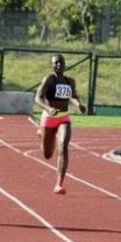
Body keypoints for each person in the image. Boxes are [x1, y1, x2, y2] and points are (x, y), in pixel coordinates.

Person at [35, 53, 85, 195]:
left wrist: (78, 105)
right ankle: (41, 134)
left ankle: (59, 184)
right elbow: (38, 98)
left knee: (63, 146)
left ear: (65, 64)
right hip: (49, 118)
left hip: (64, 118)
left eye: (61, 62)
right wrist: (49, 108)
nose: (58, 65)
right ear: (52, 65)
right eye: (56, 63)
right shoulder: (49, 80)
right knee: (48, 154)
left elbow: (73, 96)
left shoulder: (70, 81)